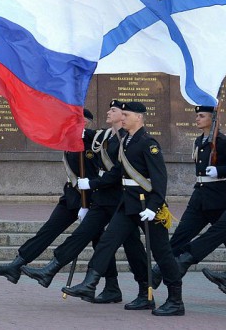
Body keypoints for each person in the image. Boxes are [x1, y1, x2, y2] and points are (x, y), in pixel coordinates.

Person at [62, 101, 185, 317]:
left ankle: (176, 300)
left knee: (161, 252)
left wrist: (155, 206)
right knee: (108, 240)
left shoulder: (148, 143)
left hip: (147, 205)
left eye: (127, 115)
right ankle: (90, 283)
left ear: (139, 117)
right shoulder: (126, 141)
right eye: (123, 114)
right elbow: (116, 173)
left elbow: (160, 179)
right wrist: (92, 183)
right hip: (128, 203)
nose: (124, 118)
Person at [20, 100, 148, 307]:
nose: (111, 113)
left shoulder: (130, 140)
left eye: (116, 111)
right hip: (104, 198)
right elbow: (80, 131)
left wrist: (92, 184)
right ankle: (52, 269)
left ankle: (145, 288)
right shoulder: (104, 136)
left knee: (132, 247)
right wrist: (70, 112)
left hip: (122, 200)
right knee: (82, 235)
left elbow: (119, 173)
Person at [150, 104, 226, 303]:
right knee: (181, 235)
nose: (197, 119)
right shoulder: (200, 141)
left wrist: (223, 172)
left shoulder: (224, 142)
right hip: (200, 196)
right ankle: (161, 270)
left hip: (219, 198)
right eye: (197, 116)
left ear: (212, 119)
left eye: (201, 116)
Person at [0, 109, 100, 285]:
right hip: (71, 196)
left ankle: (111, 285)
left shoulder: (94, 140)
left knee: (99, 243)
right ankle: (16, 265)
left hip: (90, 199)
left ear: (84, 122)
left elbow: (99, 171)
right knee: (47, 232)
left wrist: (87, 203)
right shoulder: (68, 140)